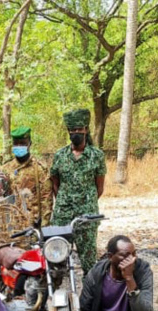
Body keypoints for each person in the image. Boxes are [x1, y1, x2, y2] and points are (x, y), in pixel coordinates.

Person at [50, 109, 106, 272]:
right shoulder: (60, 155)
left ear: (86, 130)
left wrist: (85, 201)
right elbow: (55, 183)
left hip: (87, 216)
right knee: (56, 258)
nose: (76, 133)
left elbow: (99, 187)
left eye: (79, 129)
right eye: (72, 130)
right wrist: (64, 200)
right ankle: (56, 287)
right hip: (62, 215)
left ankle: (90, 288)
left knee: (89, 261)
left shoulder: (96, 155)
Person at [3, 126, 52, 226]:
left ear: (30, 143)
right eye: (16, 143)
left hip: (33, 223)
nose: (19, 146)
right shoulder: (6, 169)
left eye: (22, 143)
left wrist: (44, 226)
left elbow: (46, 199)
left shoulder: (39, 169)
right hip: (12, 223)